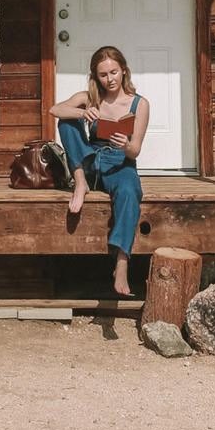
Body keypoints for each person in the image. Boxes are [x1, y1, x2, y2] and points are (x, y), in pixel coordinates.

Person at [48, 46, 149, 298]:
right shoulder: (90, 97)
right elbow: (54, 109)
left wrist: (126, 145)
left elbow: (135, 150)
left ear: (123, 71)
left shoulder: (139, 104)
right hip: (91, 162)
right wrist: (82, 112)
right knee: (67, 121)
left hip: (119, 162)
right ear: (96, 76)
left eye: (114, 72)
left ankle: (122, 262)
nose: (110, 79)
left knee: (130, 190)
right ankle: (80, 183)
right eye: (103, 75)